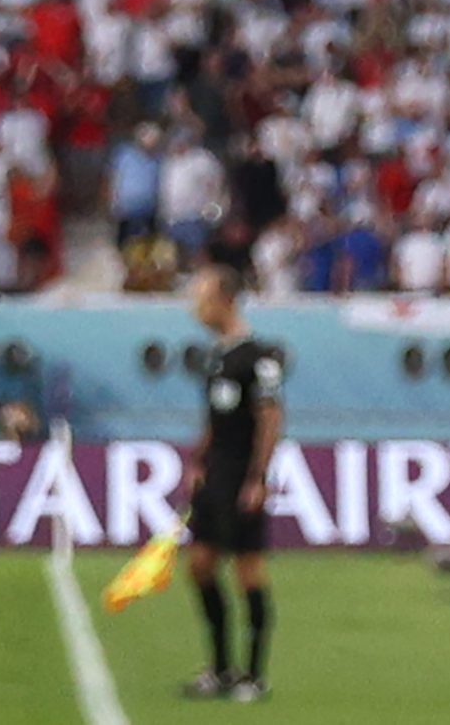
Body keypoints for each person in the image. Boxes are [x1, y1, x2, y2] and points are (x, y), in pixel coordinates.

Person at [182, 265, 282, 704]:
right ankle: (221, 669)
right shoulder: (217, 355)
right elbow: (215, 417)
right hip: (216, 475)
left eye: (201, 298)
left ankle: (254, 675)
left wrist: (258, 477)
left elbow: (271, 417)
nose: (195, 308)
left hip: (242, 474)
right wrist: (198, 459)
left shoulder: (257, 357)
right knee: (200, 565)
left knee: (248, 571)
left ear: (225, 299)